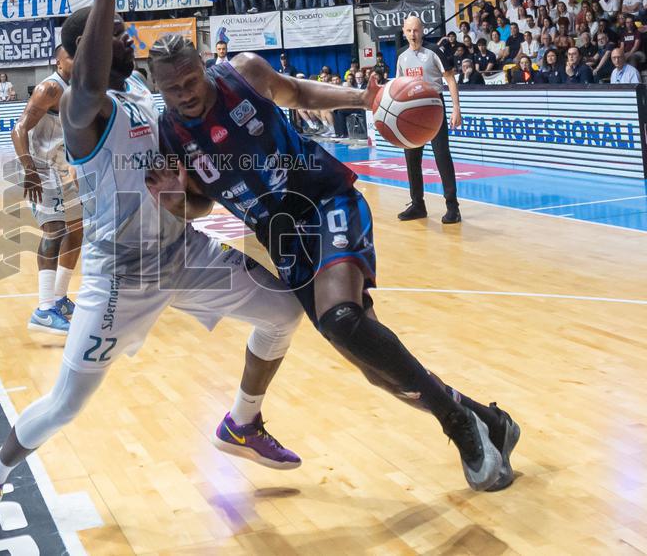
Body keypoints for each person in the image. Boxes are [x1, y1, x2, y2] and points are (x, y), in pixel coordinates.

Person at [0, 0, 306, 537]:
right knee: (66, 404)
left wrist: (190, 194)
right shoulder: (80, 108)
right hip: (120, 277)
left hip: (183, 252)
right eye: (114, 31)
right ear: (82, 50)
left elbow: (184, 191)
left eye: (122, 29)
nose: (125, 36)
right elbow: (91, 75)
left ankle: (242, 421)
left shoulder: (144, 93)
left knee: (283, 311)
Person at [148, 32, 518, 498]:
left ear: (203, 66)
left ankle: (458, 423)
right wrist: (176, 202)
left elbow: (298, 93)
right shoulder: (170, 135)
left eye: (190, 81)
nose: (185, 93)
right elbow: (200, 204)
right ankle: (490, 422)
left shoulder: (243, 73)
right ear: (157, 86)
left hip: (322, 197)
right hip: (281, 238)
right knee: (375, 367)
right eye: (172, 88)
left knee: (341, 318)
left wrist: (364, 98)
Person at [10, 45, 83, 334]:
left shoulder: (82, 85)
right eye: (70, 56)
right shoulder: (50, 88)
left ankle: (60, 298)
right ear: (58, 61)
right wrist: (29, 169)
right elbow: (18, 129)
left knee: (77, 231)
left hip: (65, 167)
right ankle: (43, 309)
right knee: (55, 231)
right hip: (41, 168)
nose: (76, 60)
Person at [395, 16, 462, 224]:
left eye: (416, 30)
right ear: (404, 32)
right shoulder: (401, 56)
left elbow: (450, 79)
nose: (412, 34)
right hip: (410, 111)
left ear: (422, 30)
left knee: (442, 155)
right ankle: (417, 205)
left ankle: (453, 207)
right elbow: (398, 85)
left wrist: (456, 108)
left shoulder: (434, 51)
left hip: (434, 107)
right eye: (409, 31)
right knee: (411, 158)